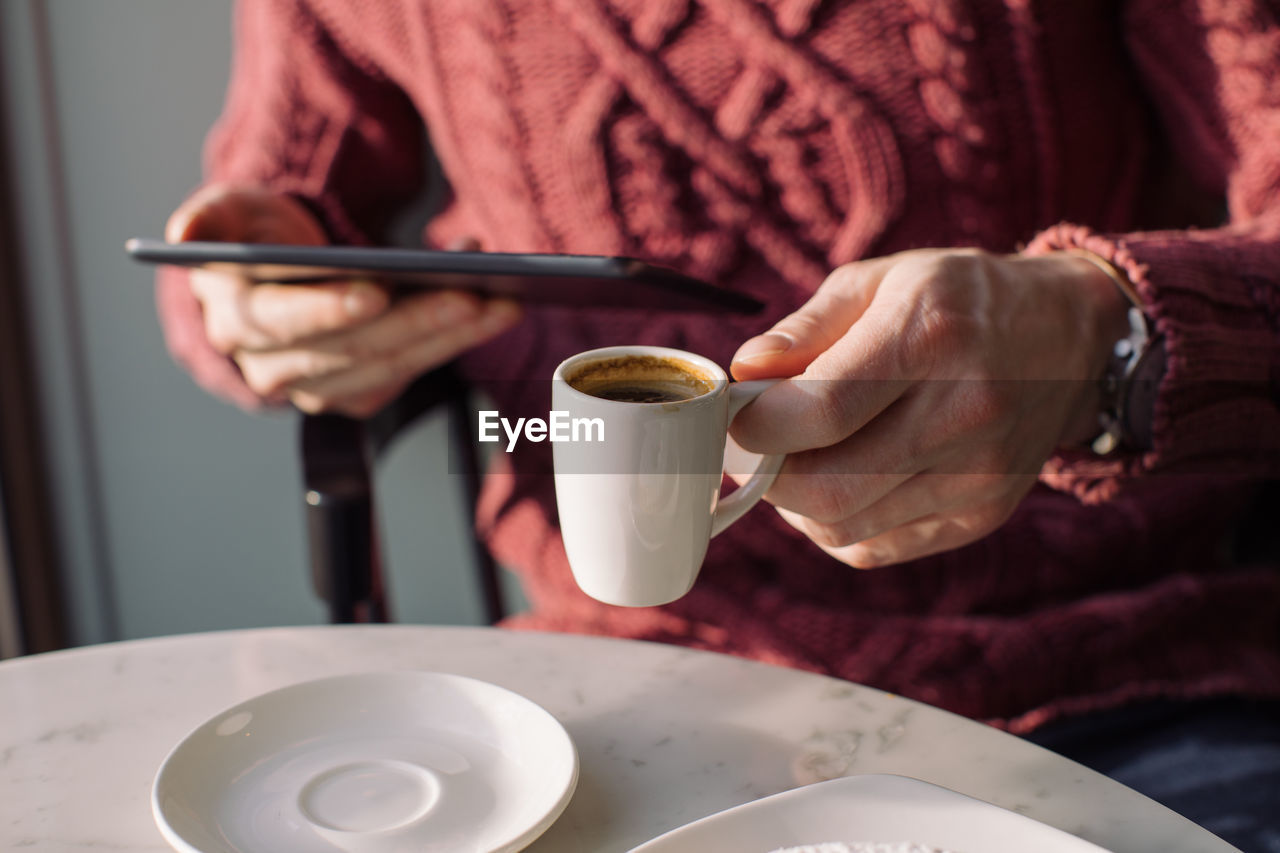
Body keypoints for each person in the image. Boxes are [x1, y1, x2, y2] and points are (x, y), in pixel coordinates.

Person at [157, 0, 1280, 847]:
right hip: (614, 682)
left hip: (1117, 680)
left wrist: (1107, 337)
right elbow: (257, 228)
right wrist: (257, 303)